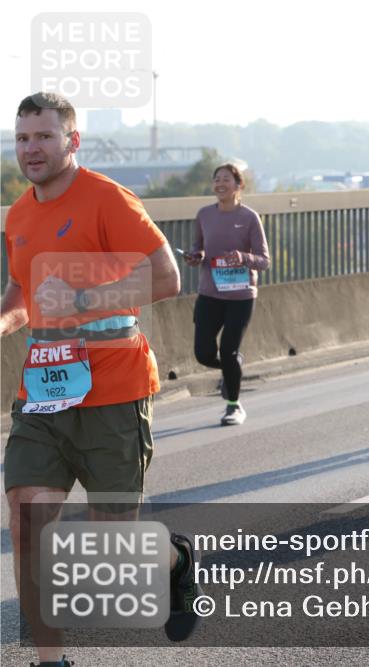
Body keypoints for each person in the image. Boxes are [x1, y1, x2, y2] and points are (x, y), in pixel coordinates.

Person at [1, 92, 201, 667]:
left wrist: (86, 297)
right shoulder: (19, 214)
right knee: (28, 521)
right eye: (22, 138)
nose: (31, 149)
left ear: (72, 141)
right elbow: (22, 293)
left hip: (114, 386)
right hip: (42, 390)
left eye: (43, 137)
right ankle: (51, 662)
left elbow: (166, 278)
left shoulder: (108, 200)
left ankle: (175, 562)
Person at [185, 163, 270, 426]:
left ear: (238, 185)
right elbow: (199, 247)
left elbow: (264, 261)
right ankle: (233, 366)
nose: (220, 184)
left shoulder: (249, 217)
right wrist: (194, 256)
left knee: (229, 349)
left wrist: (242, 257)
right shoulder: (204, 215)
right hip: (210, 293)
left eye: (226, 179)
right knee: (203, 353)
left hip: (240, 296)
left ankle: (233, 406)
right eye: (216, 179)